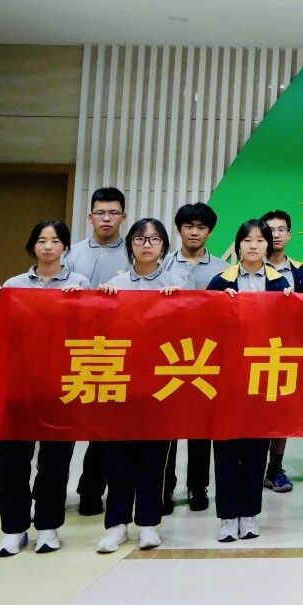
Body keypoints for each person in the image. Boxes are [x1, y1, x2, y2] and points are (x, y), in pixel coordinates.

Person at [0, 220, 89, 556]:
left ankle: (48, 525)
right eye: (41, 240)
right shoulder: (13, 286)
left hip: (61, 385)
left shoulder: (79, 283)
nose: (48, 246)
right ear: (32, 246)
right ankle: (13, 529)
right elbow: (1, 337)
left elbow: (89, 335)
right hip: (19, 384)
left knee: (55, 461)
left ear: (65, 247)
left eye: (55, 241)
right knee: (13, 460)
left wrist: (78, 304)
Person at [96, 218, 185, 553]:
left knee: (154, 457)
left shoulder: (176, 282)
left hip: (161, 383)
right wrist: (103, 300)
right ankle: (116, 524)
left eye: (154, 239)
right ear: (130, 244)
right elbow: (100, 330)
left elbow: (190, 328)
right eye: (140, 239)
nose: (147, 245)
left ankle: (148, 522)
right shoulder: (115, 284)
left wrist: (177, 303)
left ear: (163, 245)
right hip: (121, 381)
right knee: (117, 457)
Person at [207, 219, 294, 542]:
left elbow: (291, 331)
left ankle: (250, 513)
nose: (253, 245)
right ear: (238, 245)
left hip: (263, 374)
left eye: (260, 240)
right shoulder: (221, 281)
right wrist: (219, 305)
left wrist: (290, 303)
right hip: (228, 378)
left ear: (268, 245)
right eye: (247, 240)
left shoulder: (280, 283)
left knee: (257, 448)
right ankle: (227, 516)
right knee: (226, 447)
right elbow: (205, 327)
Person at [66, 186, 129, 516]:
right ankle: (48, 492)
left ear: (123, 217)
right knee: (63, 426)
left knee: (105, 429)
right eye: (101, 212)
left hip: (115, 352)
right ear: (90, 216)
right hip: (73, 350)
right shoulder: (71, 253)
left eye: (113, 212)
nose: (107, 218)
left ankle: (91, 489)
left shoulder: (133, 253)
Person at [160, 202, 221, 514]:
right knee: (168, 425)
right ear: (179, 229)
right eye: (188, 226)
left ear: (209, 232)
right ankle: (165, 487)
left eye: (201, 227)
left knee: (201, 426)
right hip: (169, 355)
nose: (194, 232)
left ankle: (198, 486)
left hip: (207, 355)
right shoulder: (162, 267)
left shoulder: (222, 269)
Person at [260, 209, 303, 495]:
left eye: (281, 230)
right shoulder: (246, 267)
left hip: (285, 352)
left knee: (280, 413)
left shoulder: (299, 272)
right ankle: (251, 466)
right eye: (270, 230)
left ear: (289, 235)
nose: (275, 235)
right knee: (254, 411)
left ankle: (275, 467)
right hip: (252, 352)